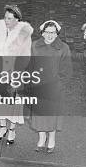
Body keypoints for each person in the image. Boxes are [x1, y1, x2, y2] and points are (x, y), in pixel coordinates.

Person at [0, 4, 33, 145]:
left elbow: (25, 56)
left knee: (14, 102)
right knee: (0, 101)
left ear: (17, 20)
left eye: (10, 18)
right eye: (5, 18)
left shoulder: (23, 34)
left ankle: (12, 129)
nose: (6, 21)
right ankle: (2, 127)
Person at [27, 20, 72, 154]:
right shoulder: (34, 46)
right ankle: (41, 139)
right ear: (42, 33)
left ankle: (51, 139)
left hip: (54, 89)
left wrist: (59, 85)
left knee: (52, 116)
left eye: (53, 32)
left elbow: (66, 70)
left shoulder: (63, 48)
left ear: (57, 33)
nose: (50, 35)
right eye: (47, 32)